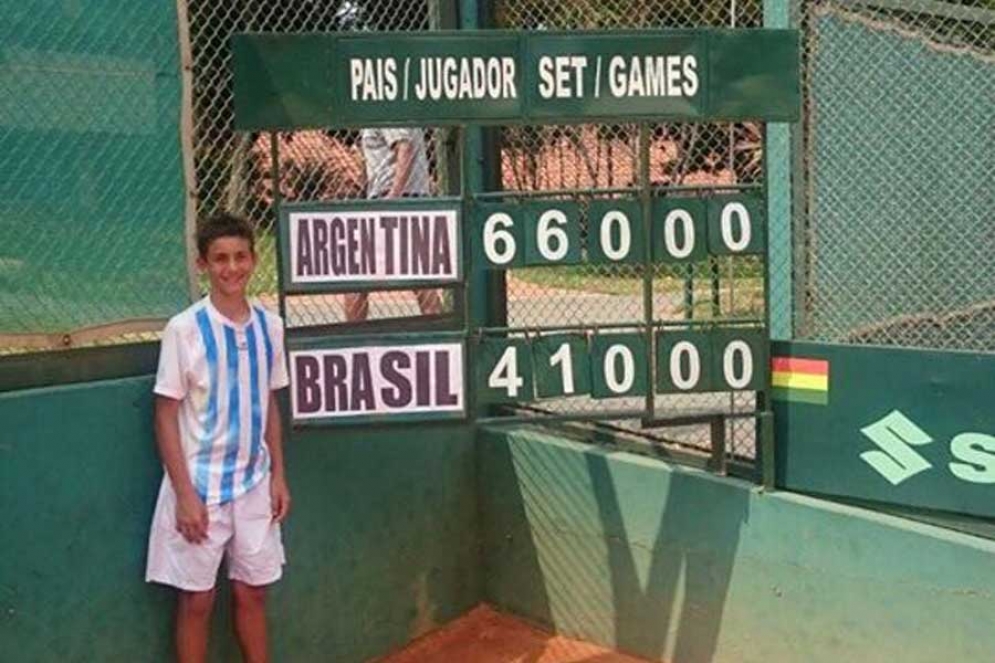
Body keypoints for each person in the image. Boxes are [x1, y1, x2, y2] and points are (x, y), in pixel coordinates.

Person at [146, 212, 291, 663]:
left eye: (240, 257)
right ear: (203, 264)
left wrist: (278, 477)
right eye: (220, 259)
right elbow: (165, 414)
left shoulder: (271, 326)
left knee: (253, 593)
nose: (232, 268)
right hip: (200, 488)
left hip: (254, 485)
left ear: (254, 259)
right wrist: (185, 495)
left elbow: (268, 403)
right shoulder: (184, 329)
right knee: (198, 601)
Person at [344, 127, 442, 321]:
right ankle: (441, 337)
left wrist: (392, 199)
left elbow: (405, 146)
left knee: (355, 279)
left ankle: (354, 340)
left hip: (393, 200)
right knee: (422, 280)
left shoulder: (382, 104)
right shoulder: (395, 104)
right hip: (409, 199)